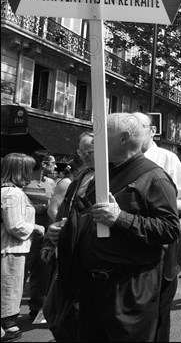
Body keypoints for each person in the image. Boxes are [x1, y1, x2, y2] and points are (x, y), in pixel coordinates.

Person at [71, 112, 180, 341]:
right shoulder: (104, 173)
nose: (96, 142)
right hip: (94, 287)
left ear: (124, 138)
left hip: (128, 291)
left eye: (102, 135)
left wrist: (120, 218)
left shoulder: (154, 178)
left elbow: (170, 228)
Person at [133, 112, 181, 342]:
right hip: (132, 243)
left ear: (153, 131)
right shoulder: (120, 158)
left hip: (162, 243)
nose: (134, 133)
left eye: (140, 128)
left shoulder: (168, 158)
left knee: (159, 308)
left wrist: (152, 214)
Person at [39, 132, 95, 342]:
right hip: (66, 256)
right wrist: (50, 241)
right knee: (55, 312)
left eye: (87, 151)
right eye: (81, 151)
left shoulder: (110, 179)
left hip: (88, 260)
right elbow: (61, 212)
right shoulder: (78, 178)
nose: (83, 156)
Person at [1, 153, 45, 342]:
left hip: (13, 248)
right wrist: (36, 227)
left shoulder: (10, 191)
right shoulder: (12, 193)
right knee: (10, 287)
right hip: (11, 249)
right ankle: (7, 325)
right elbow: (15, 225)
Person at [22, 150, 56, 319]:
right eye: (52, 163)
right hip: (28, 234)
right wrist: (43, 207)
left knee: (42, 271)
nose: (55, 166)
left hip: (46, 232)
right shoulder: (24, 182)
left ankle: (37, 306)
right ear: (43, 164)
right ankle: (8, 310)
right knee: (22, 271)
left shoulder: (51, 182)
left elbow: (55, 204)